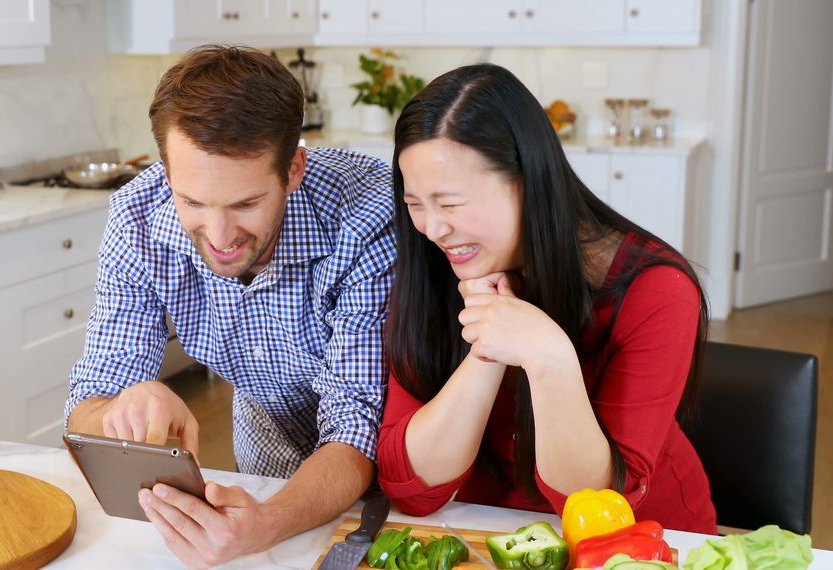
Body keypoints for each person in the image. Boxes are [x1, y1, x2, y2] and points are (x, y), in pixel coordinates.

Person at [65, 45, 395, 567]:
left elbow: (358, 426)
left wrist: (266, 522)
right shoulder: (137, 217)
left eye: (245, 204)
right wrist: (121, 408)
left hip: (394, 446)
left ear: (293, 169)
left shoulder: (365, 217)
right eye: (192, 202)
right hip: (264, 427)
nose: (219, 237)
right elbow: (88, 404)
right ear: (167, 171)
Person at [376, 63, 716, 533]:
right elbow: (412, 487)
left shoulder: (656, 289)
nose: (433, 229)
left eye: (451, 204)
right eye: (416, 205)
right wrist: (487, 349)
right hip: (493, 534)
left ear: (529, 183)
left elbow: (597, 507)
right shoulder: (431, 268)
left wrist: (549, 358)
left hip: (644, 540)